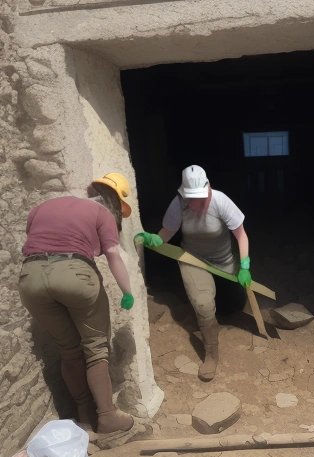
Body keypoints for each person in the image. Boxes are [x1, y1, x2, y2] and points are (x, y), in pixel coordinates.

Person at [18, 172, 136, 434]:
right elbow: (113, 254)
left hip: (30, 279)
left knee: (68, 350)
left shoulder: (43, 207)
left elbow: (34, 240)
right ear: (116, 202)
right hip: (74, 274)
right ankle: (106, 417)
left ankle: (83, 414)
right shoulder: (102, 212)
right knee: (95, 348)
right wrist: (127, 291)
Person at [137, 165, 252, 382]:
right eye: (193, 200)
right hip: (193, 259)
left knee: (231, 307)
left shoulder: (220, 201)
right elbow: (167, 233)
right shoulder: (179, 204)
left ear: (209, 189)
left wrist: (244, 266)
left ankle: (222, 307)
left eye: (201, 199)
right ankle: (211, 355)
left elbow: (241, 235)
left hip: (224, 260)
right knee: (203, 304)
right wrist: (156, 240)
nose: (197, 205)